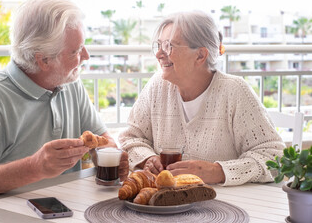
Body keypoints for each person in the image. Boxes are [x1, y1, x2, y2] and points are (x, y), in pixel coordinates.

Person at [0, 0, 128, 200]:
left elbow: (102, 141)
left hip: (67, 208)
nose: (86, 56)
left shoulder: (71, 83)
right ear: (43, 60)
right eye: (76, 51)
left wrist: (111, 156)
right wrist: (35, 167)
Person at [119, 11, 285, 186]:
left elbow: (275, 157)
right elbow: (129, 138)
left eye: (169, 46)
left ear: (200, 55)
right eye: (158, 45)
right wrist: (148, 158)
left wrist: (219, 171)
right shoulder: (157, 86)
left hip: (226, 205)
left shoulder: (234, 91)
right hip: (165, 204)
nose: (159, 54)